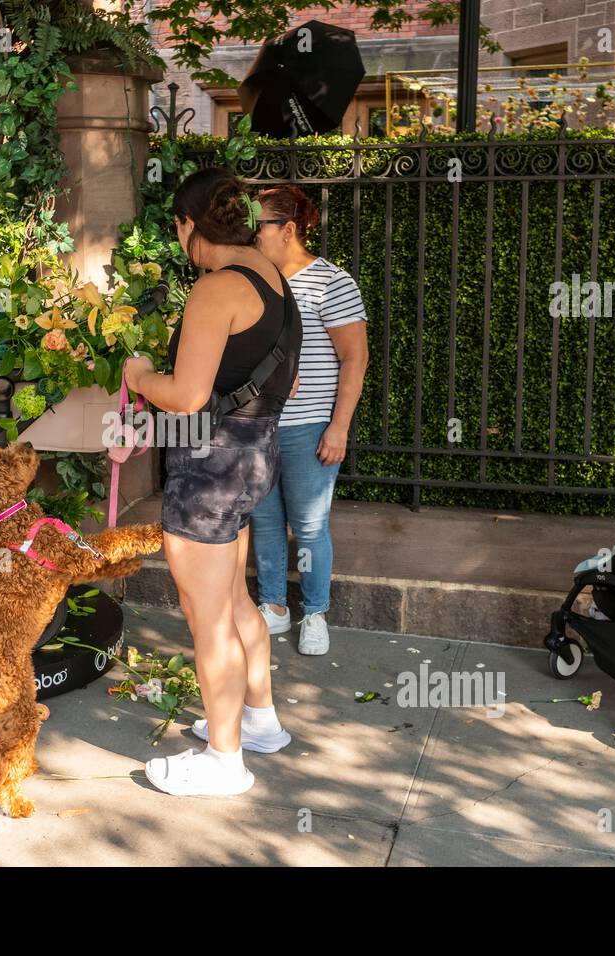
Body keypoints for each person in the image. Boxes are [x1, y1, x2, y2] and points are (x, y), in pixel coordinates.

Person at [123, 167, 301, 797]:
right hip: (257, 455)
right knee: (233, 600)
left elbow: (186, 396)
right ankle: (260, 722)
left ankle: (224, 762)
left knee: (207, 618)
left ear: (188, 224)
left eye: (177, 229)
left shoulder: (215, 288)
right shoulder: (276, 279)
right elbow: (291, 384)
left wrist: (141, 373)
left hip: (209, 465)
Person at [249, 185, 368, 655]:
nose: (252, 234)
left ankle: (315, 613)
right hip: (258, 422)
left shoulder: (331, 282)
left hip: (309, 426)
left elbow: (354, 359)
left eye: (259, 225)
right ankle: (275, 607)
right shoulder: (255, 281)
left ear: (288, 229)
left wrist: (339, 427)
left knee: (310, 525)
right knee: (265, 520)